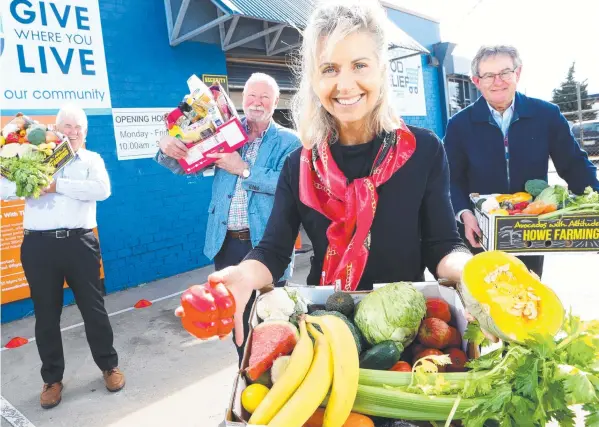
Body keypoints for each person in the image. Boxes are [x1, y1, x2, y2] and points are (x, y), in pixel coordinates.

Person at [195, 0, 475, 348]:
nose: (345, 84)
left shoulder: (423, 150)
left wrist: (473, 272)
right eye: (329, 68)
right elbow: (273, 251)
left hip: (408, 331)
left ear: (381, 69)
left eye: (359, 65)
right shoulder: (298, 165)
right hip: (328, 328)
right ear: (314, 78)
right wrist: (242, 275)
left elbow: (441, 244)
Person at [155, 73, 301, 363]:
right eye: (251, 96)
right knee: (236, 315)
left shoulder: (288, 141)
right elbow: (184, 165)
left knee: (272, 317)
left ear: (275, 102)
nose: (257, 102)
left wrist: (243, 168)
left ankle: (274, 372)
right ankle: (245, 369)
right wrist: (166, 146)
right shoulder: (220, 131)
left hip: (267, 245)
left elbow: (293, 184)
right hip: (226, 243)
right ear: (241, 99)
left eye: (264, 97)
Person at [0, 105, 125, 409]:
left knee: (94, 310)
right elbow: (4, 189)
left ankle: (109, 366)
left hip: (79, 243)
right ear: (55, 129)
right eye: (66, 126)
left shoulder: (91, 160)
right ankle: (52, 380)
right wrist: (23, 178)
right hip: (38, 246)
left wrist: (56, 185)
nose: (72, 132)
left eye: (78, 127)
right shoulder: (31, 156)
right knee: (46, 315)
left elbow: (102, 189)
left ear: (85, 132)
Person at [444, 45, 599, 278]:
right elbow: (450, 178)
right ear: (476, 81)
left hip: (531, 228)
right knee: (482, 299)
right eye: (488, 75)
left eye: (505, 72)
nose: (498, 81)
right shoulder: (459, 125)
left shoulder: (546, 115)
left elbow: (574, 164)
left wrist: (594, 202)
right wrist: (464, 214)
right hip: (479, 230)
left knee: (527, 297)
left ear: (517, 73)